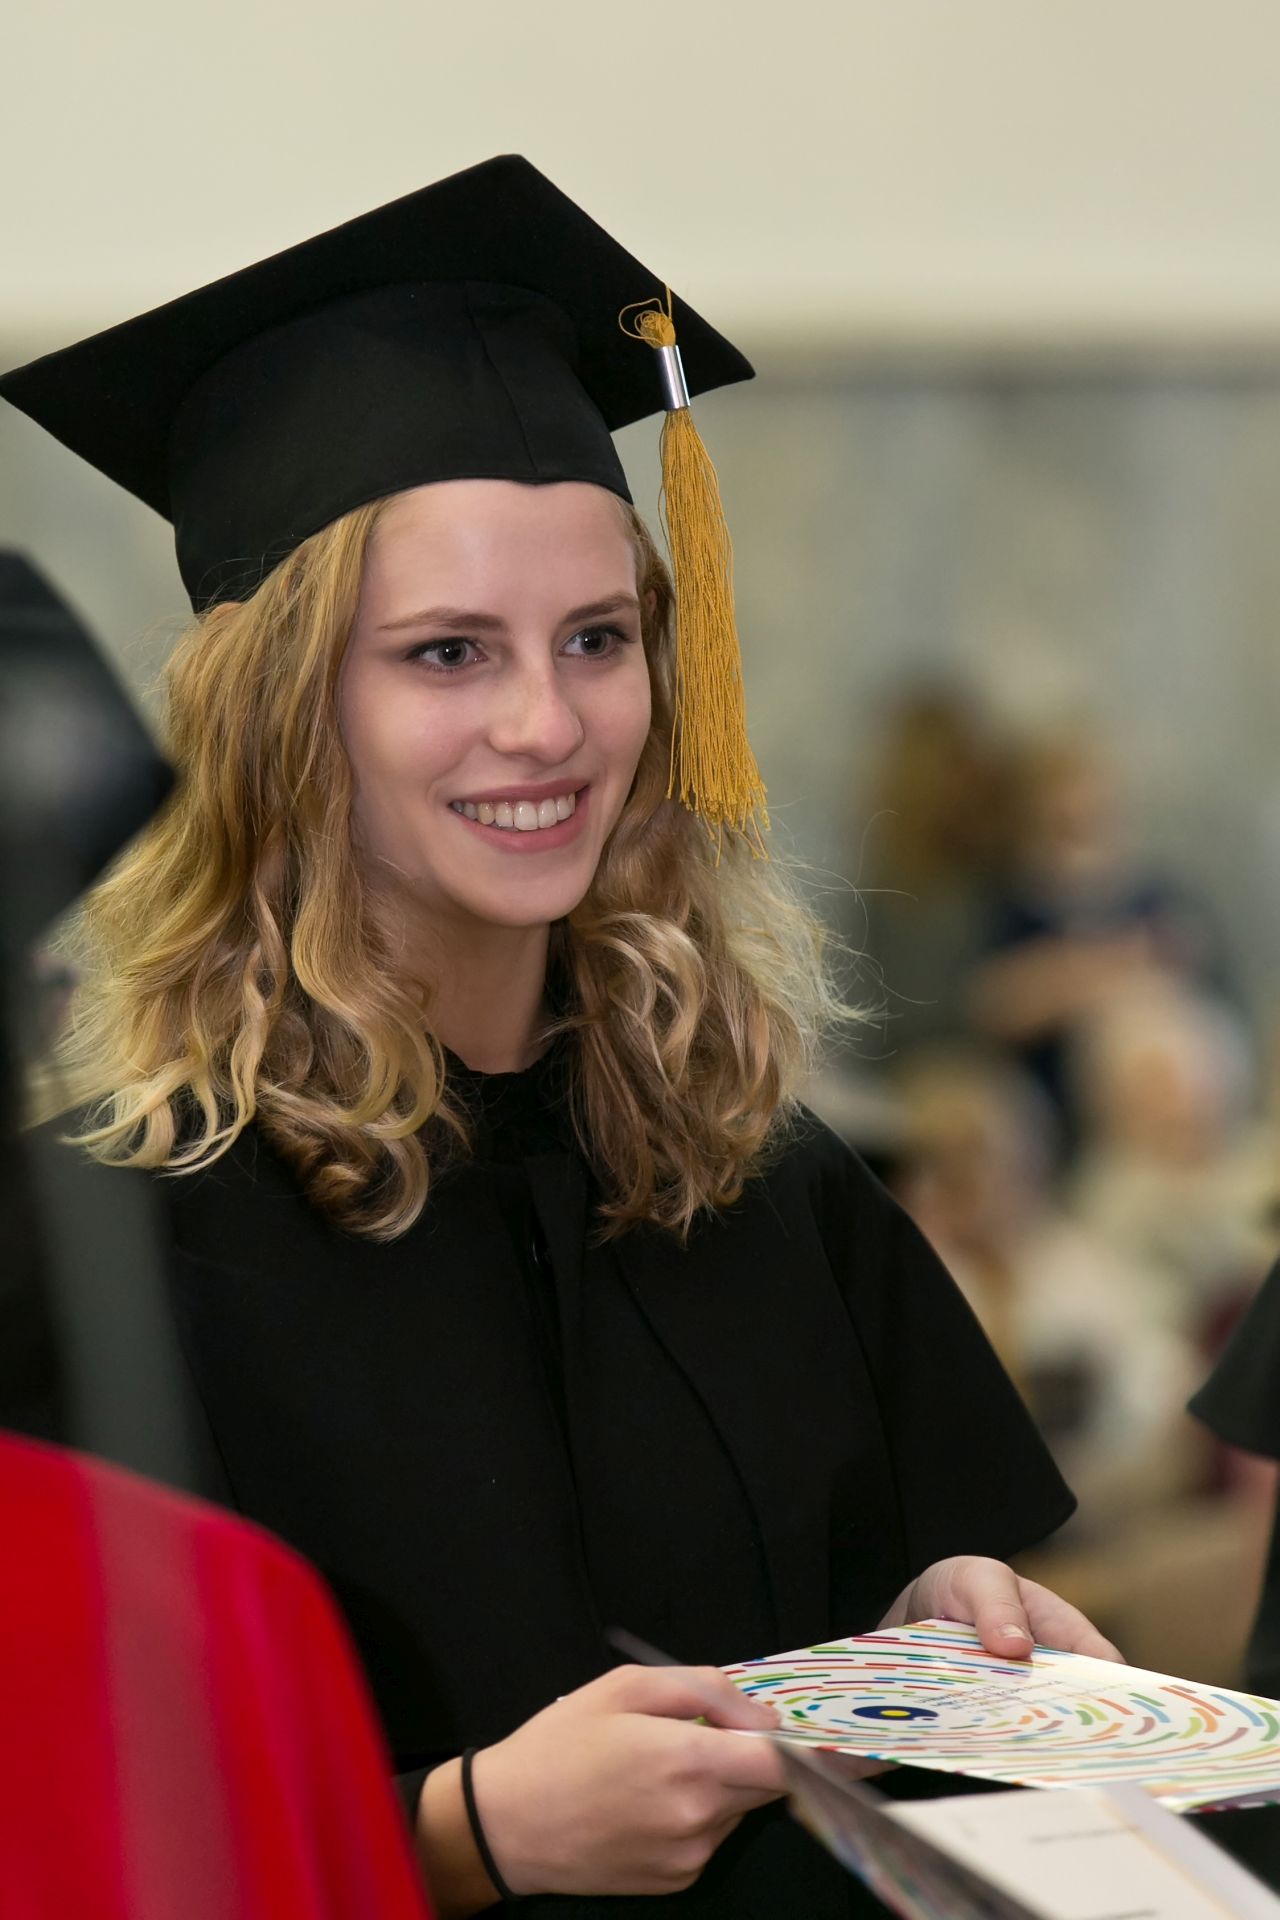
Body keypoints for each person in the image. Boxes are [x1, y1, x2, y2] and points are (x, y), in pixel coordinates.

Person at [3, 157, 1117, 1918]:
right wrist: (463, 1834)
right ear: (285, 714)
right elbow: (71, 1848)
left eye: (597, 638)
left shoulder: (764, 1180)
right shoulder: (102, 1254)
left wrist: (928, 1640)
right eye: (447, 653)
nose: (547, 724)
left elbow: (862, 1632)